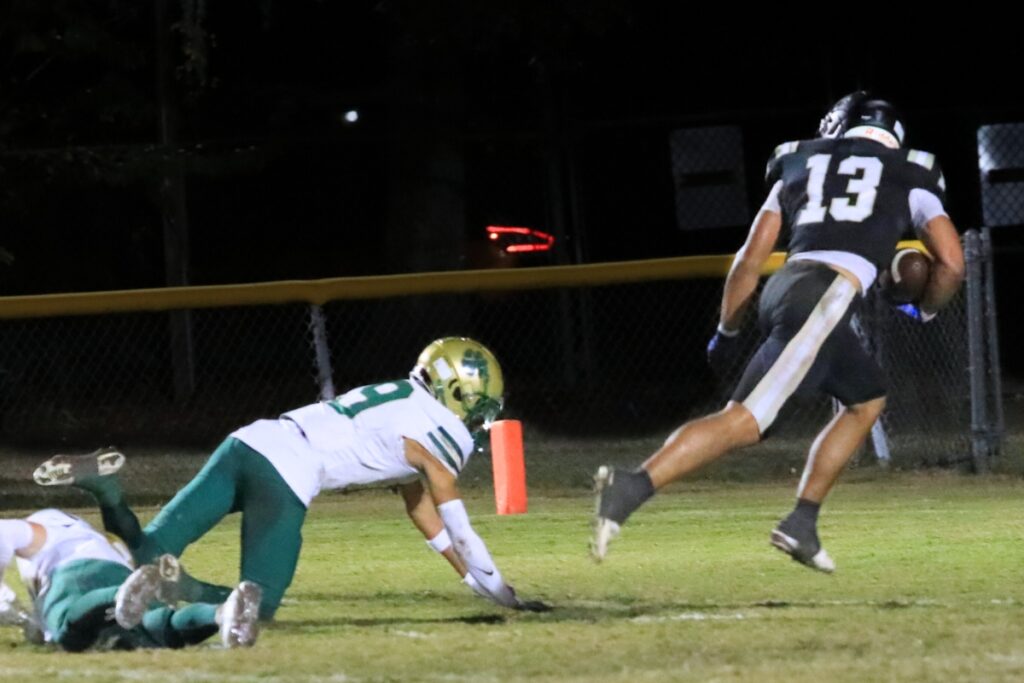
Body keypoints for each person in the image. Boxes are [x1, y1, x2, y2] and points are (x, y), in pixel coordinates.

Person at [591, 92, 965, 571]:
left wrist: (727, 331)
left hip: (789, 286)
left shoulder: (799, 163)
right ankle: (630, 487)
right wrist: (926, 310)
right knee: (745, 421)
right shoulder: (912, 172)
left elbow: (749, 259)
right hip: (826, 297)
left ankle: (802, 523)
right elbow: (952, 264)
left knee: (867, 399)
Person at [35, 337, 548, 619]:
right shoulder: (441, 431)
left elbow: (421, 509)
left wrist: (471, 580)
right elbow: (458, 526)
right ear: (459, 392)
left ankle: (107, 488)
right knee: (259, 605)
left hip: (249, 441)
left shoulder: (401, 400)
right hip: (285, 475)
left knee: (146, 551)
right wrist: (501, 591)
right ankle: (180, 585)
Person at [0, 508, 261, 651]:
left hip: (76, 577)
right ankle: (222, 614)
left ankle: (117, 596)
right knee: (155, 627)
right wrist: (30, 624)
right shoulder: (99, 539)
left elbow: (4, 531)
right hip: (121, 572)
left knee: (69, 633)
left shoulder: (45, 530)